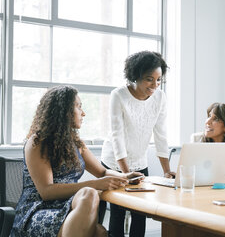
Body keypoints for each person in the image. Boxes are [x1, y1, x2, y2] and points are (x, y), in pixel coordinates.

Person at [11, 85, 142, 237]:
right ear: (64, 111)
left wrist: (126, 176)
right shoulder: (38, 142)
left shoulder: (76, 142)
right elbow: (46, 191)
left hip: (66, 205)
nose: (83, 113)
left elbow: (102, 171)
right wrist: (94, 184)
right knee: (98, 230)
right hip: (38, 209)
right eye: (79, 107)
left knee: (90, 198)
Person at [101, 51, 175, 237]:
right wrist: (125, 172)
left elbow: (161, 135)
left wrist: (167, 170)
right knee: (118, 212)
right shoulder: (119, 95)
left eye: (159, 80)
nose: (155, 85)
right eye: (149, 79)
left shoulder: (160, 97)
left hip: (140, 162)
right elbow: (117, 136)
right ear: (136, 76)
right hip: (114, 163)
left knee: (140, 212)